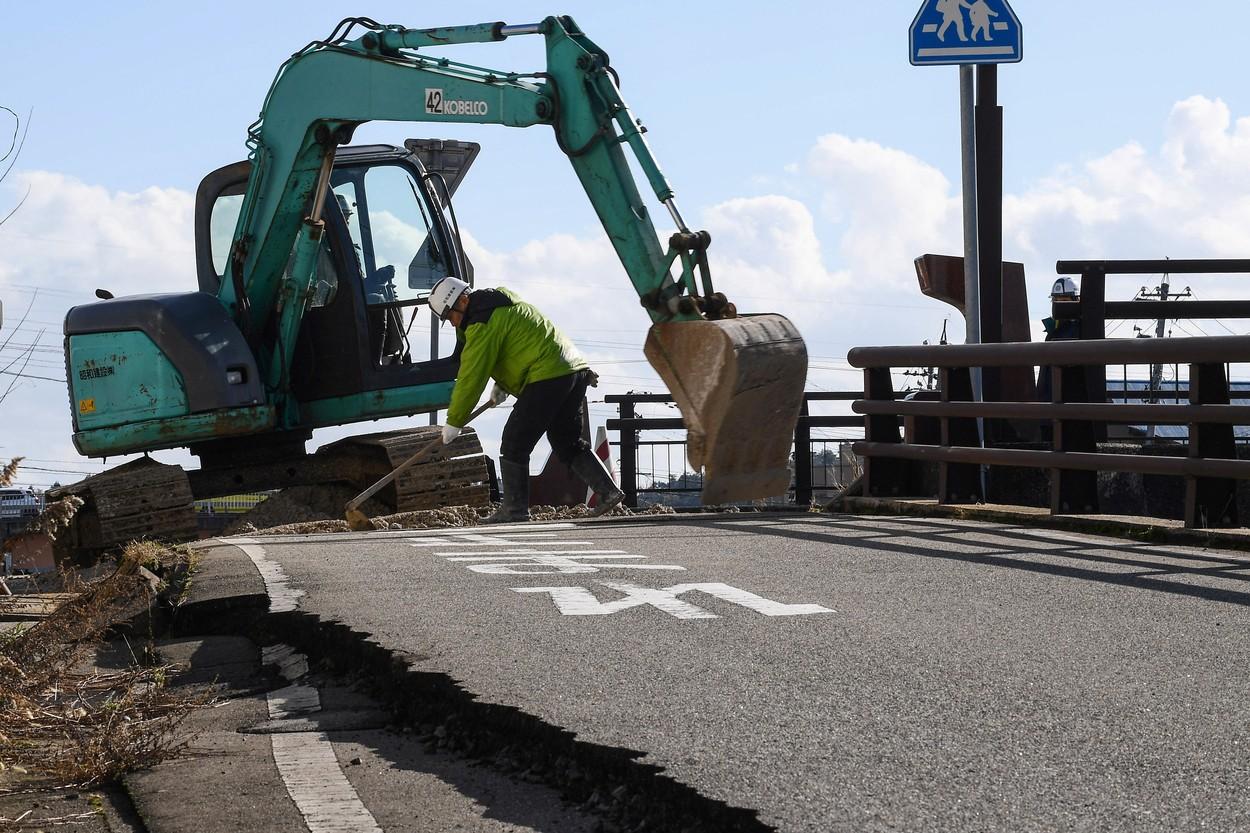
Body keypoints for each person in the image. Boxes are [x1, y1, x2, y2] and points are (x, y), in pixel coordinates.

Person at [428, 276, 625, 523]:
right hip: (572, 371)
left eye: (450, 316)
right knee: (566, 440)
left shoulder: (482, 323)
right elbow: (522, 346)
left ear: (463, 300)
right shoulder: (504, 307)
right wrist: (502, 386)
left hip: (547, 376)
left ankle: (514, 510)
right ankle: (608, 491)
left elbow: (471, 377)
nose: (452, 322)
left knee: (514, 442)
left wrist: (455, 420)